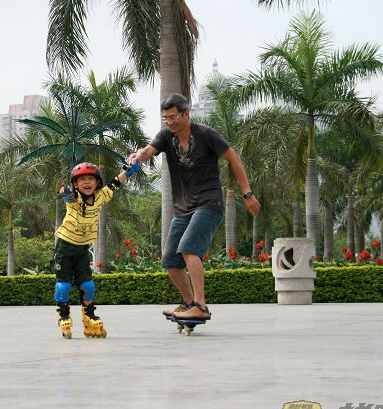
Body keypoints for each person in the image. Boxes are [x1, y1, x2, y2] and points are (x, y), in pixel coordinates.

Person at [128, 93, 260, 322]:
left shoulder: (206, 134)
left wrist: (247, 192)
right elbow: (149, 151)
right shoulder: (166, 136)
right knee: (170, 260)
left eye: (173, 117)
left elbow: (233, 158)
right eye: (166, 118)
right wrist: (138, 156)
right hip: (183, 207)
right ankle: (189, 303)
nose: (170, 122)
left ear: (186, 114)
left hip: (208, 203)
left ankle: (201, 305)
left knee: (189, 248)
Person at [54, 161, 139, 339]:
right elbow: (69, 197)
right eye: (82, 179)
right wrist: (65, 193)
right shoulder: (75, 198)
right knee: (63, 285)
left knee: (88, 285)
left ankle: (89, 317)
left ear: (97, 182)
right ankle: (64, 315)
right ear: (75, 184)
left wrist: (128, 171)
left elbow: (116, 182)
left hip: (83, 248)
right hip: (65, 247)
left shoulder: (101, 196)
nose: (87, 182)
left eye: (91, 179)